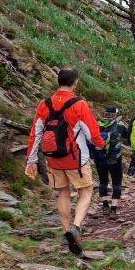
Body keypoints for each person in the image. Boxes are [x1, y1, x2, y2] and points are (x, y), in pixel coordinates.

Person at [25, 67, 104, 256]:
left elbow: (35, 133)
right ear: (75, 83)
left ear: (58, 81)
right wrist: (100, 145)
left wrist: (32, 159)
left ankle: (65, 231)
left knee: (63, 193)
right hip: (76, 159)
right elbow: (91, 132)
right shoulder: (79, 104)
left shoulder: (44, 104)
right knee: (86, 190)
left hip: (53, 159)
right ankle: (76, 227)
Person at [94, 105, 128, 219]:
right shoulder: (119, 125)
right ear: (115, 114)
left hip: (99, 158)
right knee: (117, 183)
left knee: (103, 181)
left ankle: (105, 206)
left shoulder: (96, 123)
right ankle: (113, 209)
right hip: (115, 158)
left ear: (105, 113)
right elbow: (129, 136)